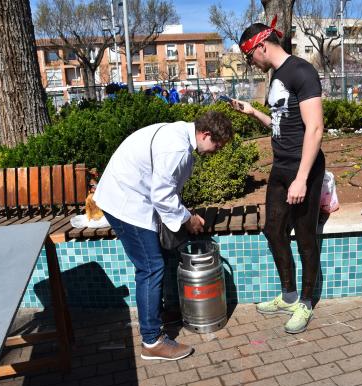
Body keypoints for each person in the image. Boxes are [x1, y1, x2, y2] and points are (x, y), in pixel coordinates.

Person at [93, 111, 234, 359]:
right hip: (125, 203)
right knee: (150, 267)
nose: (216, 151)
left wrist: (184, 215)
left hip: (133, 196)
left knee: (162, 258)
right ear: (206, 134)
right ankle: (152, 341)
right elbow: (162, 196)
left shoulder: (182, 136)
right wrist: (188, 219)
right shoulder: (177, 148)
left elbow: (167, 187)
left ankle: (163, 312)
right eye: (217, 145)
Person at [230, 16, 325, 334]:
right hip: (281, 167)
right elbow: (282, 124)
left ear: (261, 46)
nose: (250, 63)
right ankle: (288, 295)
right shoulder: (276, 77)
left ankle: (306, 303)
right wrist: (254, 112)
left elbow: (315, 128)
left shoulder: (301, 71)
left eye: (248, 57)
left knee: (306, 239)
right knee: (273, 230)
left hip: (304, 170)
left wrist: (301, 178)